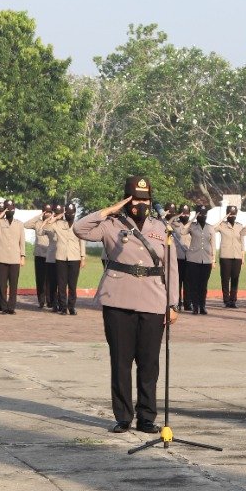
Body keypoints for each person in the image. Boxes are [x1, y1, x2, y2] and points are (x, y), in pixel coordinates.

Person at [73, 176, 179, 434]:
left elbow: (171, 267)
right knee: (120, 361)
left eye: (144, 199)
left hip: (154, 299)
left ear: (150, 201)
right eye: (135, 199)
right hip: (118, 298)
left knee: (149, 363)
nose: (139, 204)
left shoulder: (161, 227)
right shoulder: (110, 225)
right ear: (126, 199)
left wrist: (172, 303)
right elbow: (79, 229)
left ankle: (146, 417)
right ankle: (123, 416)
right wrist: (107, 210)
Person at [46, 202, 86, 315]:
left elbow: (82, 242)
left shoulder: (78, 225)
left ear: (74, 213)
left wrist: (83, 257)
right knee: (62, 284)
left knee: (72, 285)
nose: (69, 215)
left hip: (74, 257)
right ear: (65, 213)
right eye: (67, 213)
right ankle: (63, 307)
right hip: (61, 257)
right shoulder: (59, 224)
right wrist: (58, 216)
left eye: (71, 213)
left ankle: (71, 307)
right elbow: (48, 224)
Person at [0, 200, 26, 314]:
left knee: (13, 284)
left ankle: (11, 307)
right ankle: (3, 306)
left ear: (14, 209)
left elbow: (22, 241)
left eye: (11, 208)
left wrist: (22, 256)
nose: (9, 211)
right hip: (1, 257)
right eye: (7, 209)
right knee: (2, 284)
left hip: (15, 257)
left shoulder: (19, 224)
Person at [184, 204, 215, 314]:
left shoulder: (210, 227)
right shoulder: (192, 226)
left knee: (203, 284)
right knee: (194, 284)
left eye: (204, 214)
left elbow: (213, 244)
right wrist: (193, 218)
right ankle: (195, 306)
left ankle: (202, 306)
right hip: (193, 259)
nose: (203, 216)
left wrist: (213, 259)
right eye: (200, 214)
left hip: (206, 259)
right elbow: (182, 231)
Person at [26, 202, 55, 309]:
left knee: (50, 279)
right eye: (45, 211)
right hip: (39, 254)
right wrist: (38, 216)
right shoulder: (37, 222)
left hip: (50, 254)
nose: (47, 214)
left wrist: (52, 219)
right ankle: (41, 301)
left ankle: (50, 300)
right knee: (40, 279)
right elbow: (26, 224)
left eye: (49, 211)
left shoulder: (54, 222)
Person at [215, 205, 243, 308]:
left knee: (235, 279)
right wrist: (223, 218)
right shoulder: (222, 225)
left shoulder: (239, 226)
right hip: (225, 255)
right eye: (230, 213)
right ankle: (226, 300)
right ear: (227, 214)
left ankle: (233, 300)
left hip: (237, 255)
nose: (232, 215)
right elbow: (212, 229)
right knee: (225, 279)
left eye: (234, 213)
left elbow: (242, 241)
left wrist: (242, 255)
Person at [166, 203, 190, 308]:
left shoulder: (192, 225)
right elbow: (167, 224)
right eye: (183, 213)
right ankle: (178, 302)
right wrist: (176, 216)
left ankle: (187, 303)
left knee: (188, 282)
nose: (185, 215)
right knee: (177, 281)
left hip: (189, 257)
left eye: (187, 213)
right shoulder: (174, 224)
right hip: (178, 257)